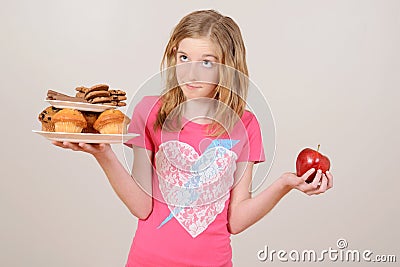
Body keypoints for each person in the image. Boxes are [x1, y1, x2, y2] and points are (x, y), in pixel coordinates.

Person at [53, 9, 333, 267]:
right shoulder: (150, 111)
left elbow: (235, 221)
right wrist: (104, 154)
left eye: (207, 62)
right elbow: (142, 206)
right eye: (184, 57)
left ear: (228, 67)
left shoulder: (245, 124)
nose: (191, 72)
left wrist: (285, 184)